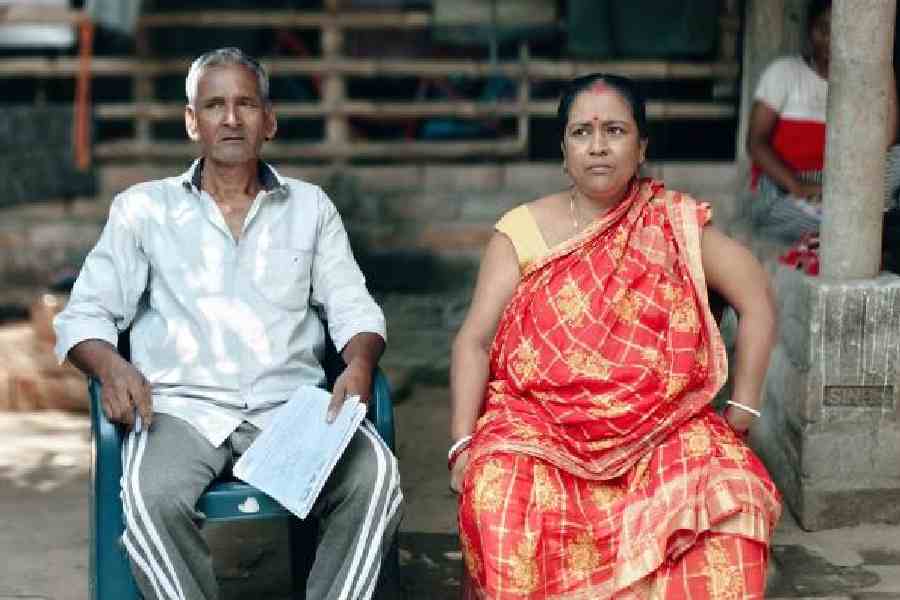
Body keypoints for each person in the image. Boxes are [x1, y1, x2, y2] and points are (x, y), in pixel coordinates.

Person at [53, 47, 401, 600]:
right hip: (179, 409)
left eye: (246, 104)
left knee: (375, 477)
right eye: (214, 105)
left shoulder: (312, 208)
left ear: (270, 120)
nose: (231, 118)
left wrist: (359, 364)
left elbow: (354, 307)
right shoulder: (143, 210)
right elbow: (84, 313)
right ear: (193, 122)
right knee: (150, 499)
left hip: (290, 411)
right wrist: (110, 364)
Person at [449, 73, 782, 598]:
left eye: (615, 130)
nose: (598, 146)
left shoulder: (671, 222)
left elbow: (757, 297)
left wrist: (744, 410)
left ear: (641, 146)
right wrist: (463, 443)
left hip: (661, 426)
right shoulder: (522, 231)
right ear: (563, 149)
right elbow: (475, 341)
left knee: (732, 491)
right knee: (497, 490)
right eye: (581, 132)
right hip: (541, 427)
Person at [747, 0, 899, 242]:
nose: (831, 39)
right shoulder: (785, 72)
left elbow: (886, 143)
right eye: (823, 29)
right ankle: (861, 220)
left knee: (898, 159)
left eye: (841, 31)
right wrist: (797, 185)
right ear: (810, 31)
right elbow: (756, 143)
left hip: (834, 184)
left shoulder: (858, 88)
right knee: (841, 224)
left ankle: (860, 216)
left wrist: (884, 63)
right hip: (781, 187)